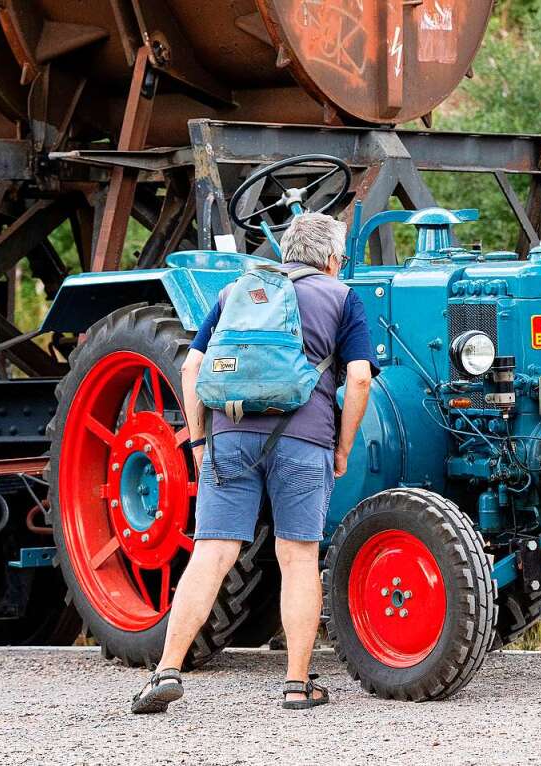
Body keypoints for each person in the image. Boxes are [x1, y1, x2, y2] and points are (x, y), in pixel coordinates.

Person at [131, 212, 379, 713]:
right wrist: (344, 447)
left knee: (212, 555)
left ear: (286, 252)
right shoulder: (341, 296)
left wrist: (200, 443)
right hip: (304, 441)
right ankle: (295, 684)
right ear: (333, 258)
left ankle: (167, 670)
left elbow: (192, 366)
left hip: (230, 437)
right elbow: (358, 379)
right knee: (298, 557)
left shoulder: (236, 292)